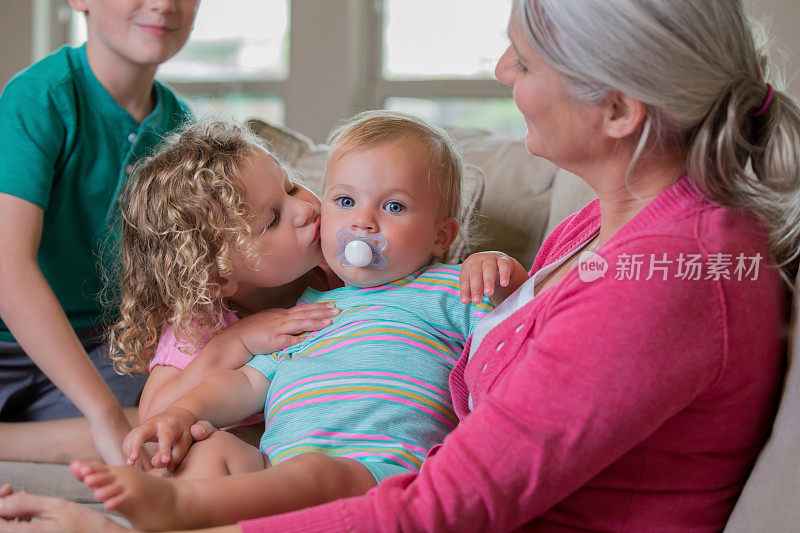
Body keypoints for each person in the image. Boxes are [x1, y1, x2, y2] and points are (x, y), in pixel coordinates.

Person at [2, 0, 800, 531]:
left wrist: (133, 524)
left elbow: (437, 507)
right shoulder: (613, 227)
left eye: (522, 62)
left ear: (620, 111)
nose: (500, 76)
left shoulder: (669, 276)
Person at [61, 110, 493, 531]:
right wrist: (226, 358)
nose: (308, 209)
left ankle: (178, 506)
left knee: (317, 473)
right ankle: (177, 515)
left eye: (291, 187)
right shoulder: (242, 318)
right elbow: (219, 392)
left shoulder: (418, 286)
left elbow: (516, 330)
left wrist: (499, 272)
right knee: (210, 452)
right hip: (275, 462)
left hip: (375, 472)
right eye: (273, 218)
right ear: (219, 274)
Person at [0, 0, 199, 466]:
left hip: (102, 347)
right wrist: (101, 412)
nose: (164, 5)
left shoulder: (184, 130)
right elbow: (7, 266)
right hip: (9, 335)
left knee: (180, 427)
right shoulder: (40, 97)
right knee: (125, 425)